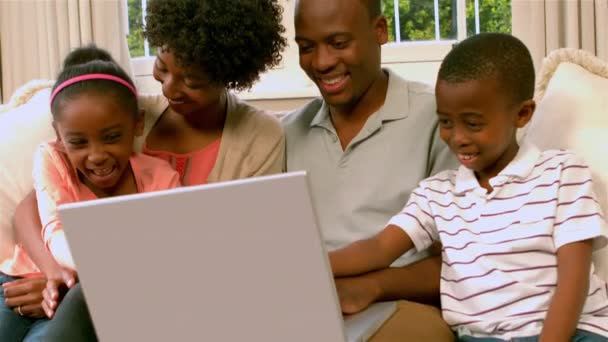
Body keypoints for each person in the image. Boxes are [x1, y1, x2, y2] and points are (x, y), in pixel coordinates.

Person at [9, 0, 287, 340]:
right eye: (162, 67)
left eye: (192, 80)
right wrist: (55, 275)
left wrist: (74, 287)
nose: (169, 88)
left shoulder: (260, 138)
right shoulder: (124, 112)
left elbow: (238, 260)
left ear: (228, 74)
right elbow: (34, 206)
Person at [330, 32, 608, 341]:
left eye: (473, 124)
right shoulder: (436, 194)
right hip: (480, 337)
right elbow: (379, 248)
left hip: (573, 332)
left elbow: (574, 279)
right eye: (446, 122)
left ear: (522, 114)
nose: (457, 137)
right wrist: (311, 267)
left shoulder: (563, 173)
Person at [283, 0, 456, 333]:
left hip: (397, 307)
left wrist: (372, 286)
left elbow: (465, 260)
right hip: (305, 307)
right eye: (307, 47)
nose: (321, 62)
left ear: (380, 31)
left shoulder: (440, 120)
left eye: (338, 44)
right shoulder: (288, 133)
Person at [0, 45, 181, 341]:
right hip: (18, 281)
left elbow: (166, 250)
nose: (96, 155)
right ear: (60, 136)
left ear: (137, 124)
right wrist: (57, 274)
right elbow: (51, 227)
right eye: (79, 142)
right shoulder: (53, 159)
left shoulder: (159, 176)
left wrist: (78, 278)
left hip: (82, 291)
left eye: (110, 137)